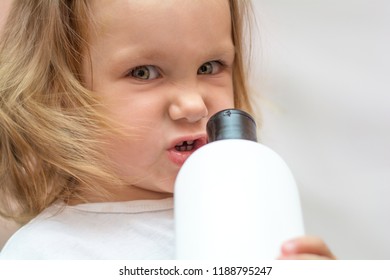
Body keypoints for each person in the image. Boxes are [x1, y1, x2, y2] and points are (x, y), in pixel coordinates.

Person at [0, 0, 335, 260]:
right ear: (59, 96)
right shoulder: (47, 256)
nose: (193, 105)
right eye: (144, 73)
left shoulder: (252, 215)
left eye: (209, 67)